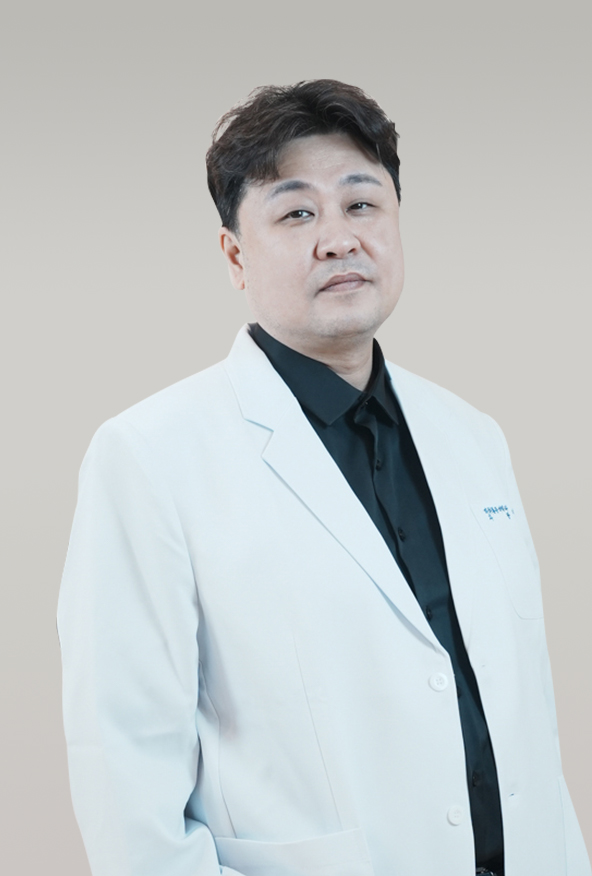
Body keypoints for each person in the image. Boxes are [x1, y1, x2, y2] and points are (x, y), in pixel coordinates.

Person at [57, 79, 590, 876]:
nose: (338, 239)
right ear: (235, 256)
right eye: (296, 214)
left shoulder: (473, 437)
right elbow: (124, 769)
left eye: (361, 205)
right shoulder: (149, 456)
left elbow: (526, 721)